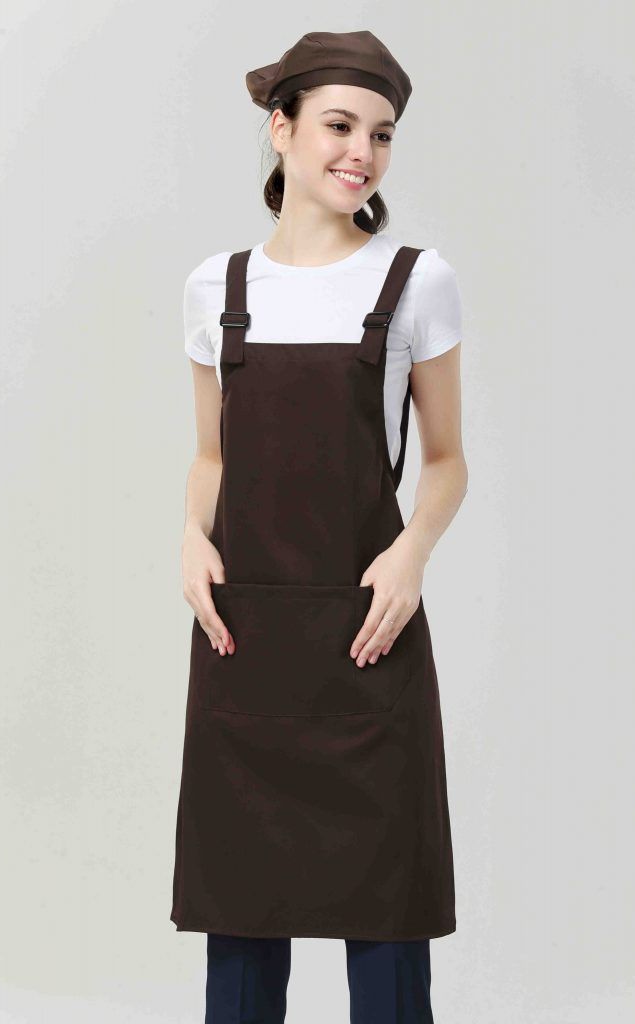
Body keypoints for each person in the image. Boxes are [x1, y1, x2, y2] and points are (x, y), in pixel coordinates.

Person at [171, 30, 468, 1024]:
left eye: (380, 134)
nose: (361, 153)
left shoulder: (414, 281)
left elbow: (445, 461)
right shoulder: (217, 289)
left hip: (365, 638)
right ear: (281, 128)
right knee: (239, 931)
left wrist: (409, 554)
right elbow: (211, 457)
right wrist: (190, 536)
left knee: (385, 934)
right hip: (244, 643)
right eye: (340, 126)